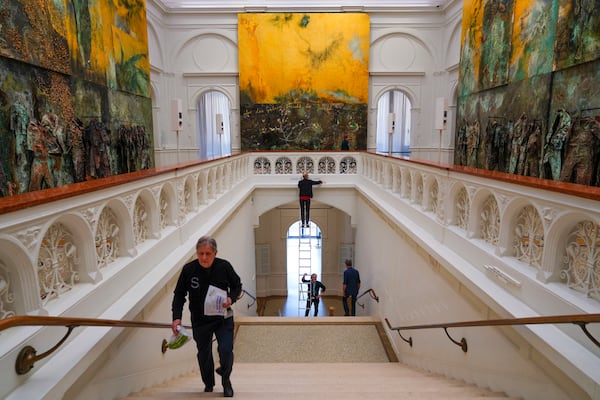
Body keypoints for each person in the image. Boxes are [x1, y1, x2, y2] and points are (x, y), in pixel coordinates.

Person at [171, 236, 242, 397]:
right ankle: (208, 383)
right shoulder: (188, 270)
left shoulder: (224, 267)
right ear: (197, 253)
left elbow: (237, 285)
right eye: (200, 253)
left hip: (222, 318)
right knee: (204, 354)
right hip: (200, 321)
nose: (204, 257)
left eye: (208, 254)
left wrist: (231, 298)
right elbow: (179, 295)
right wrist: (177, 318)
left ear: (215, 253)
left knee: (225, 350)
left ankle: (226, 380)